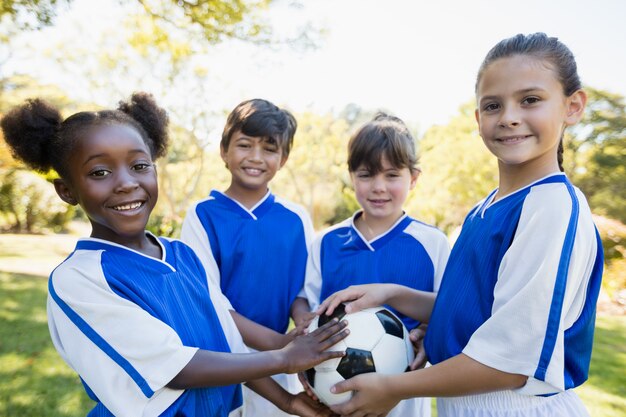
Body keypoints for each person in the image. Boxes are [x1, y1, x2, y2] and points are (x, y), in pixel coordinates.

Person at [0, 92, 349, 417]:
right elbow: (177, 366)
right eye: (100, 172)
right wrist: (284, 358)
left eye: (139, 166)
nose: (125, 183)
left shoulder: (183, 256)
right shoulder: (79, 279)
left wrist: (287, 400)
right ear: (66, 190)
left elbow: (228, 343)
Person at [317, 32, 604, 417]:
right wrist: (391, 294)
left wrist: (392, 387)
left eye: (530, 100)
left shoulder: (551, 206)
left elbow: (509, 361)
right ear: (477, 118)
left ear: (573, 106)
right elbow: (474, 312)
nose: (509, 117)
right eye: (492, 105)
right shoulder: (486, 207)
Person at [301, 113, 450, 416]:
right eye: (366, 175)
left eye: (392, 175)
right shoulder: (326, 242)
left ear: (414, 178)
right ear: (351, 176)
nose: (378, 187)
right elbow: (308, 305)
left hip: (404, 394)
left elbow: (446, 310)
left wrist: (424, 332)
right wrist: (304, 349)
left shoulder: (432, 243)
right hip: (333, 388)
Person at [180, 99, 316, 417]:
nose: (256, 157)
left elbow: (300, 289)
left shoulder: (296, 218)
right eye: (244, 145)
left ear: (283, 159)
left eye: (269, 149)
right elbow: (209, 303)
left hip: (282, 366)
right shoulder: (202, 215)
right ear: (224, 150)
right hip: (220, 360)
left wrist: (303, 321)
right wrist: (280, 344)